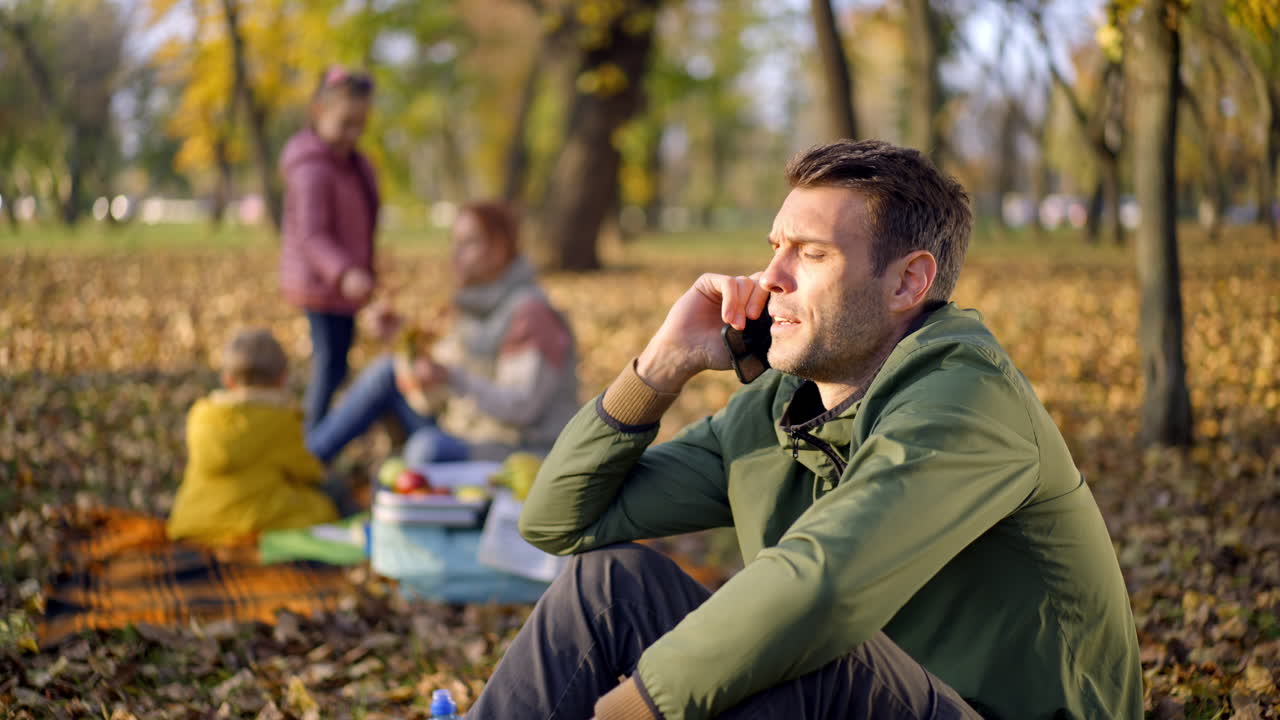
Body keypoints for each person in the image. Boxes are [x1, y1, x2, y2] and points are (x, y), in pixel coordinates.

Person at [468, 140, 1143, 720]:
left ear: (909, 282)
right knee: (610, 586)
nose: (772, 279)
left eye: (811, 254)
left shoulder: (968, 402)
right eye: (775, 248)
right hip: (867, 690)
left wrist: (638, 704)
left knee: (792, 656)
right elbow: (559, 522)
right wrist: (661, 367)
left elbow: (823, 586)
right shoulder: (776, 410)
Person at [306, 201, 579, 466]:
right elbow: (438, 380)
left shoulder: (529, 315)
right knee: (385, 373)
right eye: (455, 242)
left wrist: (451, 377)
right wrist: (401, 338)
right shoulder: (474, 307)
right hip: (471, 432)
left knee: (426, 449)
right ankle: (307, 463)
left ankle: (307, 470)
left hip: (518, 450)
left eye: (468, 243)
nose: (455, 254)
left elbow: (521, 408)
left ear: (499, 249)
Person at [279, 65, 386, 432]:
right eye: (346, 123)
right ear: (319, 112)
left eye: (361, 124)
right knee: (329, 367)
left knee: (338, 365)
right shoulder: (312, 169)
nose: (353, 134)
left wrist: (367, 267)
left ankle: (319, 436)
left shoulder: (352, 165)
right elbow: (312, 234)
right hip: (321, 286)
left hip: (343, 286)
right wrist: (346, 272)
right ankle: (311, 443)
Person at [167, 328, 338, 546]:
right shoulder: (281, 419)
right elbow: (304, 470)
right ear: (281, 379)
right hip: (255, 519)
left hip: (193, 519)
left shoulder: (202, 414)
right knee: (324, 507)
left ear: (227, 379)